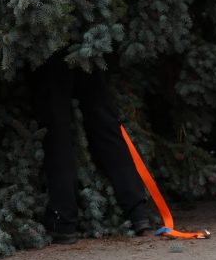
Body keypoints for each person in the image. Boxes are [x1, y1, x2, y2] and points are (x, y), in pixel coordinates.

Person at [31, 54, 152, 244]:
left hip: (49, 42)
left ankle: (63, 219)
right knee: (102, 116)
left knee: (56, 126)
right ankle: (137, 211)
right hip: (85, 37)